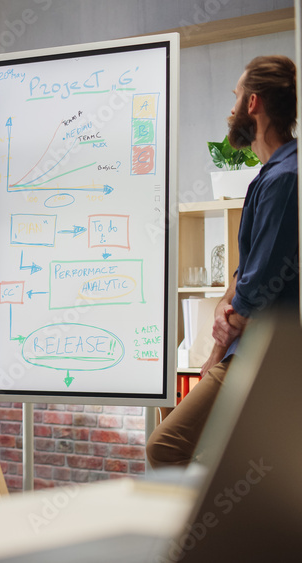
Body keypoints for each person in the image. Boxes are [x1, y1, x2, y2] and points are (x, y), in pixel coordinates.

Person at [147, 55, 299, 468]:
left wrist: (216, 349)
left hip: (264, 358)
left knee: (166, 446)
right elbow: (243, 272)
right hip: (251, 351)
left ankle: (199, 535)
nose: (230, 109)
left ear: (253, 104)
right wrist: (222, 308)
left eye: (236, 97)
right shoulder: (269, 176)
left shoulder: (287, 177)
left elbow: (255, 291)